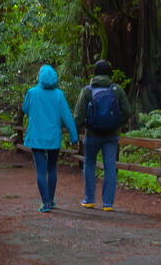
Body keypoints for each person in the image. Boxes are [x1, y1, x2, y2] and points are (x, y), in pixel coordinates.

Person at [74, 59, 130, 211]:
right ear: (109, 74)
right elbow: (127, 112)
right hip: (111, 135)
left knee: (89, 163)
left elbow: (78, 116)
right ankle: (108, 204)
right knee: (110, 166)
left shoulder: (87, 91)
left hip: (92, 134)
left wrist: (76, 130)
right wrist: (116, 124)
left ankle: (89, 199)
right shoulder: (116, 90)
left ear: (95, 73)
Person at [21, 64, 78, 212]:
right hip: (53, 138)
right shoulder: (59, 94)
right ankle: (50, 200)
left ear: (39, 76)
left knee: (41, 170)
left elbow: (25, 109)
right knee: (52, 168)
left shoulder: (32, 93)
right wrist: (74, 137)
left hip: (36, 138)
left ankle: (45, 202)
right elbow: (67, 117)